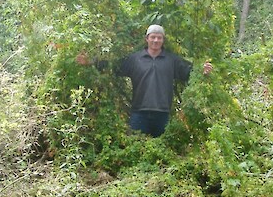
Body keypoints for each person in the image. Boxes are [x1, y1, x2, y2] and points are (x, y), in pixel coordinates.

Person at [76, 24, 212, 137]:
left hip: (162, 113)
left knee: (162, 151)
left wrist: (202, 70)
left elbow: (189, 71)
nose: (156, 40)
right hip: (139, 113)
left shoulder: (172, 60)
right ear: (147, 39)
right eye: (153, 37)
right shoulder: (135, 59)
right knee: (136, 147)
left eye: (159, 38)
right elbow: (114, 66)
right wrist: (91, 62)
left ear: (163, 40)